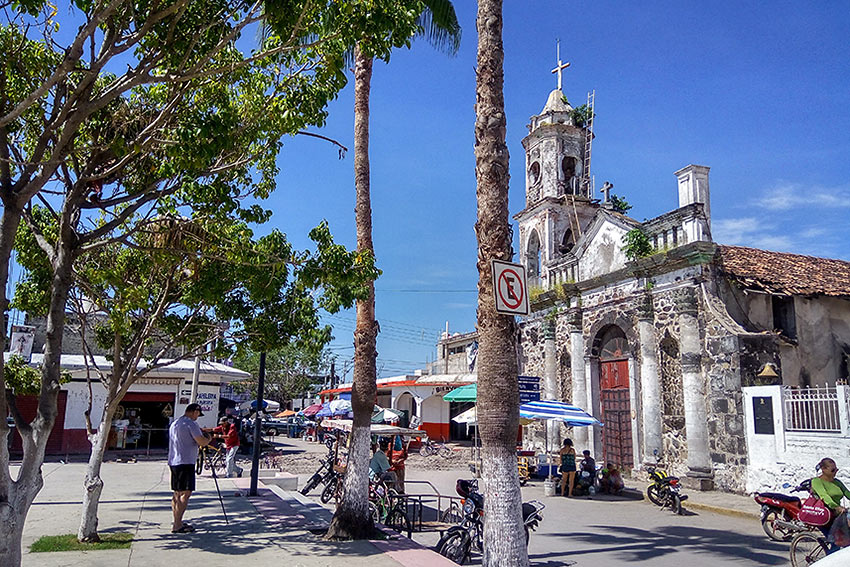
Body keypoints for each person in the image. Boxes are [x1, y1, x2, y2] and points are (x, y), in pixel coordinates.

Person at [168, 403, 210, 533]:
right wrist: (209, 438)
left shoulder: (176, 423)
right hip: (185, 462)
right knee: (185, 493)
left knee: (177, 492)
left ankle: (177, 521)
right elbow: (201, 441)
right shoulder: (190, 424)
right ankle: (177, 525)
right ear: (194, 411)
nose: (198, 417)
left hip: (174, 460)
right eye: (198, 414)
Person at [812, 457, 850, 553]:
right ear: (824, 469)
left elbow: (847, 493)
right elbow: (824, 496)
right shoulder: (817, 481)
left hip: (838, 515)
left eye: (836, 469)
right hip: (825, 515)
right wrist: (837, 507)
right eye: (833, 470)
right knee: (836, 544)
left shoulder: (837, 482)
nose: (835, 472)